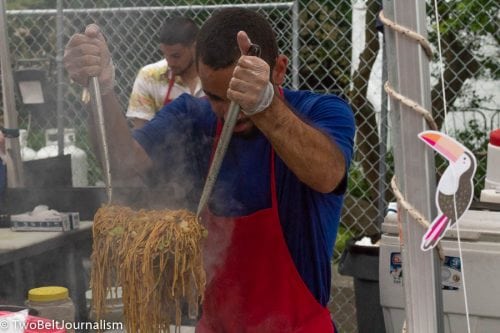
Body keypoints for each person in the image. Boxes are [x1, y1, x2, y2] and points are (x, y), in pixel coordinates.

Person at [64, 7, 355, 333]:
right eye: (217, 97)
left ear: (280, 70)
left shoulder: (322, 112)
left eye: (240, 95)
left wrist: (265, 105)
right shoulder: (193, 117)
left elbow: (327, 174)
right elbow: (123, 166)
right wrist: (101, 92)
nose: (231, 111)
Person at [127, 16, 203, 129]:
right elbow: (139, 132)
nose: (170, 62)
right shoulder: (149, 77)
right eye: (165, 54)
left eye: (176, 56)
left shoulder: (215, 74)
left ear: (195, 47)